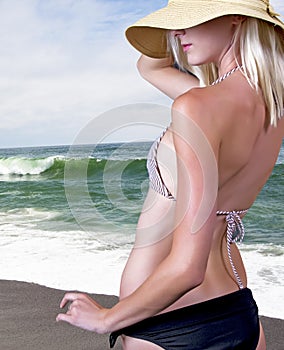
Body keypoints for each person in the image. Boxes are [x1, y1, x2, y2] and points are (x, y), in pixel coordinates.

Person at [56, 0, 284, 349]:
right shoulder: (271, 106)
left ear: (237, 16)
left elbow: (188, 267)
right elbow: (149, 65)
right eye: (176, 23)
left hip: (169, 323)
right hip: (237, 307)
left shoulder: (197, 106)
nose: (177, 31)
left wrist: (107, 319)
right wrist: (183, 26)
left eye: (191, 18)